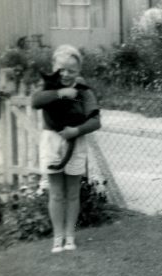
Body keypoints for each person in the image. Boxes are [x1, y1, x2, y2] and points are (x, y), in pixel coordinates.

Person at [32, 45, 101, 253]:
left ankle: (70, 236)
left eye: (71, 70)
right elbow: (35, 101)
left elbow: (96, 121)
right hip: (51, 140)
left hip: (75, 140)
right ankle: (57, 237)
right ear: (54, 67)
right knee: (56, 192)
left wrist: (76, 130)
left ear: (79, 72)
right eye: (62, 69)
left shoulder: (83, 92)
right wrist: (61, 93)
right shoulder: (48, 87)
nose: (66, 74)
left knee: (72, 192)